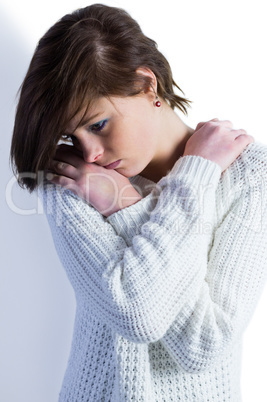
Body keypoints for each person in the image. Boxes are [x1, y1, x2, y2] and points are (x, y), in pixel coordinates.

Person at [10, 4, 267, 401]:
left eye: (98, 125)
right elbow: (138, 314)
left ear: (147, 85)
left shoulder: (250, 173)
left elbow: (203, 345)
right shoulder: (69, 180)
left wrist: (135, 202)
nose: (90, 153)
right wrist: (132, 198)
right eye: (73, 137)